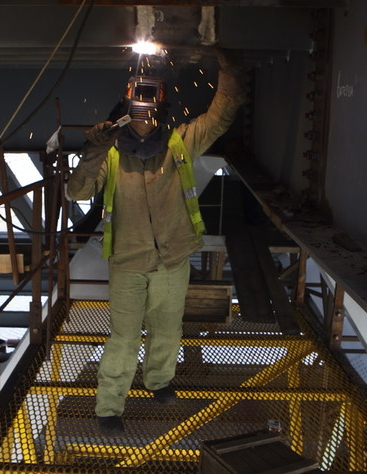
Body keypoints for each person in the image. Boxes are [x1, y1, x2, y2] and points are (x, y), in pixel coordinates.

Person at [66, 48, 246, 437]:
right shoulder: (111, 153)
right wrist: (94, 150)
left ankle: (159, 381)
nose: (143, 107)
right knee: (124, 338)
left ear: (161, 106)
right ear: (125, 106)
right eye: (138, 99)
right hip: (128, 264)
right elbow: (77, 192)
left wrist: (229, 67)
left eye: (149, 98)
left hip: (172, 259)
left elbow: (220, 117)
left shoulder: (180, 143)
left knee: (167, 329)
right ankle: (109, 406)